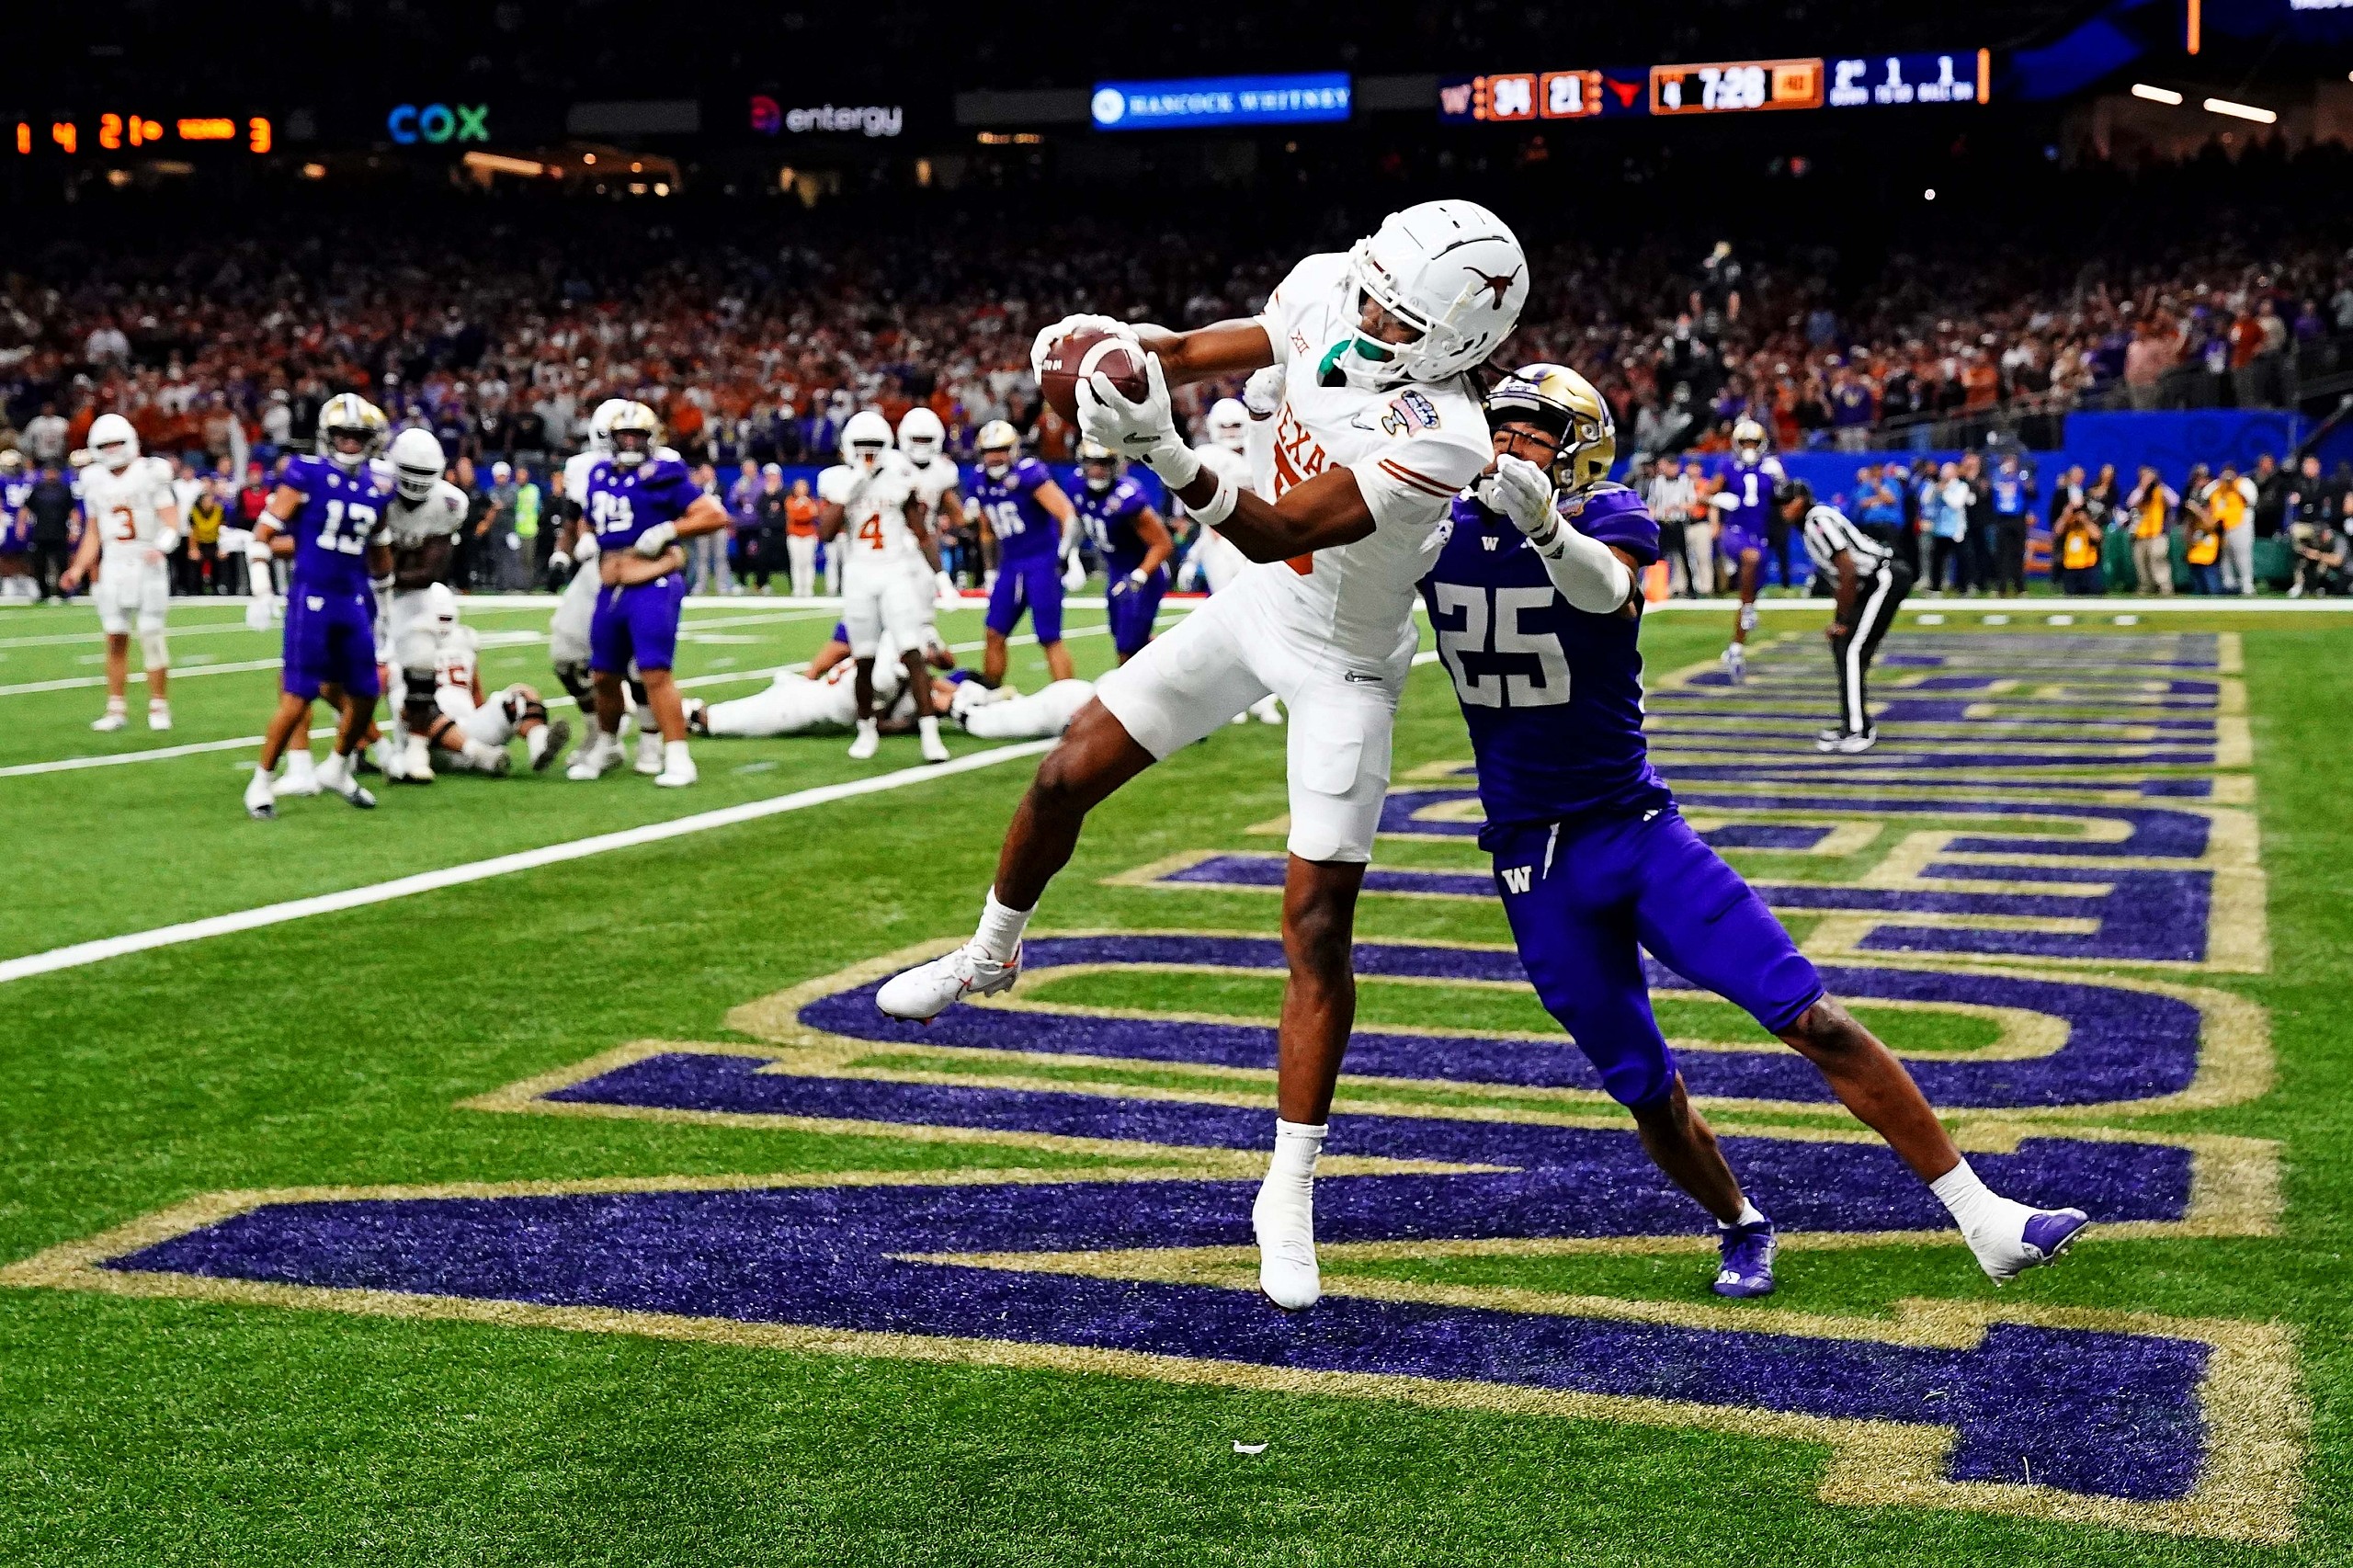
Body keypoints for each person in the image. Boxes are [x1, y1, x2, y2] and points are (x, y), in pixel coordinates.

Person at [874, 199, 1527, 1311]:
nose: (1365, 310)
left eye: (1393, 308)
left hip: (1345, 662)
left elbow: (1279, 524)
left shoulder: (1449, 432)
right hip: (1258, 609)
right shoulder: (1330, 282)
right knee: (1063, 769)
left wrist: (1166, 452)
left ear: (1457, 337)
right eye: (1370, 283)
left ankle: (1288, 1185)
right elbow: (1179, 354)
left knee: (1317, 925)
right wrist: (1103, 358)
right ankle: (989, 952)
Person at [1423, 363, 2087, 1297]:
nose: (1510, 447)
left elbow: (1606, 588)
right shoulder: (1429, 521)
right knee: (1642, 1085)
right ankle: (1738, 1220)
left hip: (1635, 830)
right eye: (1502, 429)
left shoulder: (1610, 515)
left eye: (1534, 433)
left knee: (1809, 1012)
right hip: (1533, 859)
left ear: (1578, 454)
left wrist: (1540, 521)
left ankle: (1986, 1217)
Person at [241, 394, 395, 818]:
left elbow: (380, 555)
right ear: (328, 437)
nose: (349, 443)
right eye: (342, 435)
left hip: (353, 599)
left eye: (357, 435)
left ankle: (339, 767)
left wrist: (386, 614)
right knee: (298, 696)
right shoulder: (305, 474)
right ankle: (262, 780)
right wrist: (261, 590)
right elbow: (262, 535)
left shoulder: (379, 486)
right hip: (311, 598)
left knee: (366, 693)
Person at [563, 402, 732, 788]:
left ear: (651, 439)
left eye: (637, 436)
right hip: (611, 586)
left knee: (654, 672)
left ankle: (677, 755)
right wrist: (587, 537)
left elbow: (714, 514)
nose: (630, 443)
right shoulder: (598, 474)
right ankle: (607, 744)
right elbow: (590, 515)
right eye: (623, 436)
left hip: (651, 583)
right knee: (603, 674)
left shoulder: (664, 473)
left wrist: (670, 531)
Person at [816, 409, 950, 764]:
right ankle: (866, 729)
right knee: (864, 658)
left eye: (874, 446)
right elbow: (825, 533)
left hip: (894, 572)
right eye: (861, 446)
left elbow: (920, 531)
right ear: (848, 447)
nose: (868, 453)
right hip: (859, 574)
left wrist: (941, 577)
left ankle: (930, 733)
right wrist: (853, 486)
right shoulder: (836, 480)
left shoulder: (899, 477)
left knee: (912, 653)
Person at [56, 414, 181, 733]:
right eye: (105, 444)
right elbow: (93, 532)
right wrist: (78, 567)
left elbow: (171, 521)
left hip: (146, 560)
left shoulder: (150, 472)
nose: (112, 449)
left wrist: (162, 546)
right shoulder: (93, 479)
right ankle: (116, 708)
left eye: (116, 443)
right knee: (114, 636)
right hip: (113, 563)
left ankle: (159, 704)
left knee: (151, 635)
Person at [1183, 387, 1287, 726]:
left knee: (1268, 618)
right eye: (1224, 427)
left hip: (1257, 542)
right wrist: (1194, 556)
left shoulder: (1263, 449)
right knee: (1229, 620)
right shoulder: (1208, 456)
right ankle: (1232, 697)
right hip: (1221, 545)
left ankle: (1266, 695)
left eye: (1234, 426)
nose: (1230, 434)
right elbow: (1201, 510)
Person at [1785, 480, 1913, 753]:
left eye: (1788, 501)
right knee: (1843, 646)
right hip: (1869, 581)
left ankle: (1860, 729)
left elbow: (1847, 569)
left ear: (1802, 500)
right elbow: (1841, 578)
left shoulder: (1817, 520)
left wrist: (1842, 621)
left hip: (1883, 576)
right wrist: (1839, 621)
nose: (1783, 508)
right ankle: (1849, 723)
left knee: (1854, 649)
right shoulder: (1809, 524)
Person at [381, 428, 472, 783]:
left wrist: (386, 571)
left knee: (420, 664)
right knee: (352, 675)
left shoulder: (448, 504)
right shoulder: (375, 489)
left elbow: (429, 571)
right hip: (365, 593)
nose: (417, 485)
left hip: (408, 593)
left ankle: (417, 747)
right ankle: (364, 749)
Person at [971, 421, 1083, 687]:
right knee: (994, 633)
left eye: (1001, 449)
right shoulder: (978, 480)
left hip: (1042, 563)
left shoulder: (1029, 474)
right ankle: (991, 695)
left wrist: (1070, 556)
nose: (995, 456)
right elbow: (987, 531)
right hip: (1010, 565)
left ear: (1014, 450)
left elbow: (1067, 514)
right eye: (989, 450)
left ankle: (1068, 702)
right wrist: (989, 570)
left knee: (1049, 636)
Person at [416, 584, 569, 772]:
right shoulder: (407, 645)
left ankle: (539, 746)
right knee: (421, 708)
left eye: (445, 618)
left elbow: (475, 691)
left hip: (466, 725)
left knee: (521, 695)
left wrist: (491, 717)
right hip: (425, 739)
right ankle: (478, 756)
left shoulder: (464, 639)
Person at [1070, 441, 1174, 664]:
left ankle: (1128, 696)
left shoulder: (1127, 496)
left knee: (1126, 647)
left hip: (1143, 574)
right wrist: (1069, 554)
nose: (1097, 470)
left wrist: (1139, 577)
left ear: (1115, 465)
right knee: (1125, 636)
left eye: (1104, 463)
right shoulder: (1077, 486)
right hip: (1116, 571)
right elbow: (1078, 520)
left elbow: (1163, 544)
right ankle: (1173, 663)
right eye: (1092, 463)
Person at [1706, 417, 1783, 682]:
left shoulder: (1771, 467)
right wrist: (1718, 498)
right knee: (1750, 560)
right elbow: (1705, 494)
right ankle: (1748, 610)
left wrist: (1780, 479)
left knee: (1748, 596)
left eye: (1754, 442)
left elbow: (1783, 499)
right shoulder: (1728, 466)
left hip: (1759, 536)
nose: (1749, 446)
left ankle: (1736, 648)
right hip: (1735, 532)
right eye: (1745, 442)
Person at [2205, 462, 2258, 596]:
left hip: (2241, 525)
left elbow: (2252, 500)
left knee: (2243, 557)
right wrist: (2219, 481)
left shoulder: (2244, 483)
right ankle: (2229, 585)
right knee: (2225, 558)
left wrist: (2234, 484)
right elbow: (2205, 494)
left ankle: (2247, 586)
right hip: (2222, 527)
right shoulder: (2218, 485)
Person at [2126, 465, 2177, 597]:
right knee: (2141, 562)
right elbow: (2130, 503)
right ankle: (2146, 586)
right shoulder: (2138, 491)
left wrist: (2158, 486)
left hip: (2158, 533)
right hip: (2140, 534)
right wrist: (2143, 488)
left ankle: (2165, 587)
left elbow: (2175, 501)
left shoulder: (2161, 491)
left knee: (2158, 559)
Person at [1987, 452, 2033, 597]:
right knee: (2001, 554)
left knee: (2018, 553)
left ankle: (2020, 586)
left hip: (2017, 518)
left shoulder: (2021, 476)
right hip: (2002, 519)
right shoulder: (1997, 476)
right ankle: (2001, 586)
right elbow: (1989, 488)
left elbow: (2031, 490)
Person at [2052, 483, 2107, 597]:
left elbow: (2098, 536)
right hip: (2070, 567)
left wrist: (2085, 520)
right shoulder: (2067, 521)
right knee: (2071, 594)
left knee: (2094, 593)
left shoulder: (2090, 518)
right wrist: (2066, 514)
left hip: (2088, 567)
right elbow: (2057, 531)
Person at [784, 476, 821, 597]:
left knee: (808, 562)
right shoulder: (790, 500)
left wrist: (804, 511)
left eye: (803, 487)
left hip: (809, 535)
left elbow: (814, 514)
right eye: (799, 486)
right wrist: (802, 511)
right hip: (794, 535)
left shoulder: (811, 501)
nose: (801, 489)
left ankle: (808, 588)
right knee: (796, 563)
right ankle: (797, 588)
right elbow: (794, 516)